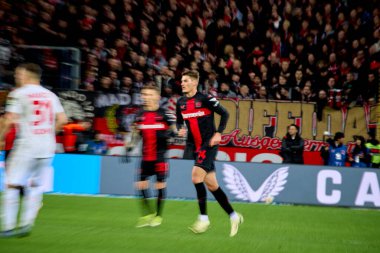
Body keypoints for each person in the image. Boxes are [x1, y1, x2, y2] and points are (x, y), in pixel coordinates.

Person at [0, 63, 67, 237]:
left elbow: (8, 121)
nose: (17, 77)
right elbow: (63, 119)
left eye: (19, 74)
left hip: (26, 146)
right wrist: (49, 132)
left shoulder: (18, 94)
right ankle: (27, 224)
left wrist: (0, 138)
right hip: (47, 146)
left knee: (12, 185)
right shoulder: (51, 95)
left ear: (27, 75)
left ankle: (7, 227)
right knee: (36, 186)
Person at [176, 70, 243, 237]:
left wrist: (219, 133)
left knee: (196, 177)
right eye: (182, 81)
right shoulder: (180, 102)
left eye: (185, 80)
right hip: (195, 147)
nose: (182, 83)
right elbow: (179, 122)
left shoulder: (205, 99)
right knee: (212, 185)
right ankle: (234, 216)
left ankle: (204, 219)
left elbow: (225, 113)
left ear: (194, 82)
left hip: (209, 144)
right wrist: (180, 130)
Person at [129, 84, 176, 228]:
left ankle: (158, 216)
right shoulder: (139, 115)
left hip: (160, 157)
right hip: (145, 157)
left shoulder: (165, 114)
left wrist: (170, 134)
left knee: (159, 186)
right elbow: (135, 133)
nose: (146, 97)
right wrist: (129, 146)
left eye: (150, 94)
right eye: (144, 94)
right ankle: (148, 214)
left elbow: (177, 132)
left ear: (157, 97)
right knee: (140, 185)